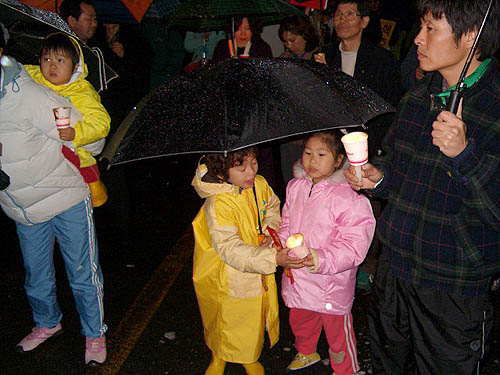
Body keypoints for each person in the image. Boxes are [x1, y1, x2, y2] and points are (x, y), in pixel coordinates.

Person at [343, 0, 500, 373]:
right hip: (394, 271)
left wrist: (464, 155)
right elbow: (399, 168)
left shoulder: (494, 105)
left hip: (452, 286)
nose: (417, 39)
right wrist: (377, 178)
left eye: (431, 29)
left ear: (469, 38)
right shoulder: (420, 94)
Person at [0, 47, 107, 366]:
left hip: (65, 196)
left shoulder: (33, 96)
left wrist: (74, 134)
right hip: (21, 205)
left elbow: (93, 141)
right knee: (36, 273)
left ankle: (94, 333)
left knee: (82, 271)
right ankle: (47, 322)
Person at [191, 147, 305, 375]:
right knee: (220, 315)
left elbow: (272, 207)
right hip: (222, 271)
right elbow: (229, 248)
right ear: (222, 173)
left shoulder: (258, 185)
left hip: (253, 264)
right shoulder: (219, 203)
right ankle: (219, 354)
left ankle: (247, 355)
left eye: (253, 163)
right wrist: (273, 257)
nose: (250, 171)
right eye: (241, 167)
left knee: (249, 316)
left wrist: (270, 230)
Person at [316, 0, 403, 293]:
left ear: (364, 21)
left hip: (367, 143)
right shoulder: (324, 57)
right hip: (331, 142)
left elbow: (390, 106)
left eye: (349, 14)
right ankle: (330, 259)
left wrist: (376, 148)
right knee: (331, 206)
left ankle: (367, 263)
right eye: (338, 14)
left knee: (367, 206)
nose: (342, 20)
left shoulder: (382, 59)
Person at [278, 132, 375, 375]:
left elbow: (354, 244)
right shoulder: (295, 187)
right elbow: (286, 221)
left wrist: (320, 258)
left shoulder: (349, 197)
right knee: (301, 317)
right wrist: (282, 248)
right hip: (299, 274)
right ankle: (306, 351)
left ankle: (345, 368)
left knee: (337, 330)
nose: (312, 160)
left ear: (339, 159)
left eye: (322, 155)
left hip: (330, 280)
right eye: (308, 153)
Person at [25, 33, 111, 207]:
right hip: (40, 150)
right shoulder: (33, 77)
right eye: (47, 59)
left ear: (75, 66)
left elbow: (101, 122)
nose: (52, 67)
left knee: (84, 162)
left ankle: (94, 186)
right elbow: (15, 73)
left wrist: (77, 133)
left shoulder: (83, 91)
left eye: (60, 61)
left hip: (73, 148)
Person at [278, 15, 321, 187]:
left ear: (305, 36)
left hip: (309, 132)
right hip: (289, 131)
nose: (289, 45)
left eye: (292, 40)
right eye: (285, 41)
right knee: (290, 181)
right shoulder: (285, 59)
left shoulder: (316, 59)